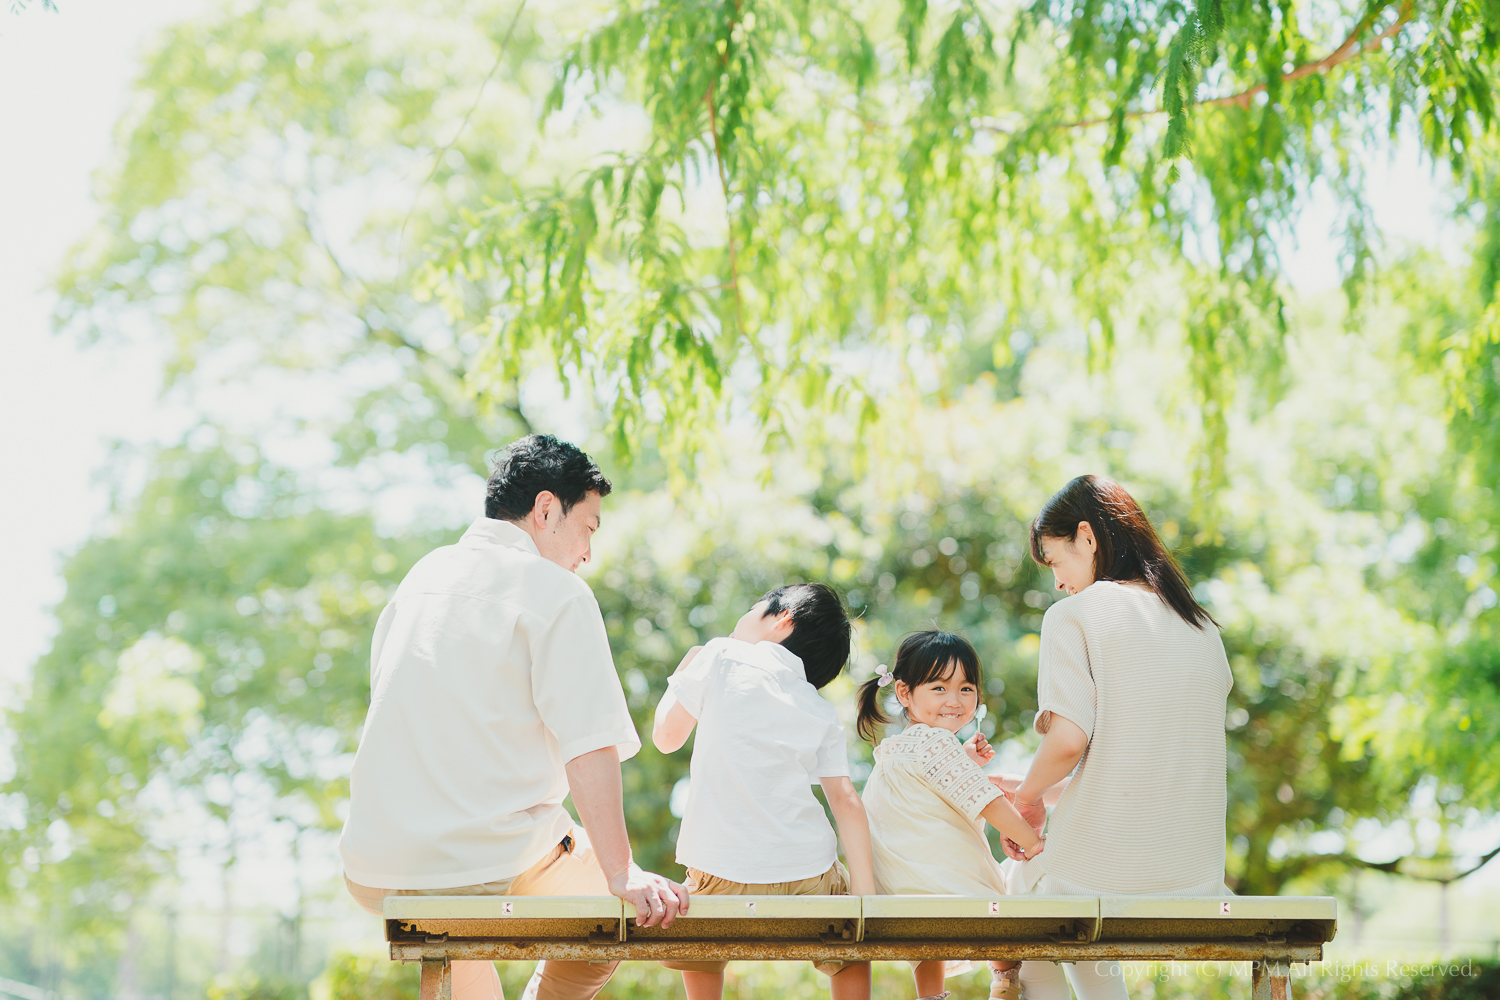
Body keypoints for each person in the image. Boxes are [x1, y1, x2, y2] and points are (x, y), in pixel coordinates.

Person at [338, 434, 689, 1000]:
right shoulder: (557, 591)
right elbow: (590, 745)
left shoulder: (422, 577)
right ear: (547, 509)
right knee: (614, 910)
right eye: (589, 528)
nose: (587, 553)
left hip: (375, 862)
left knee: (459, 930)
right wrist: (623, 872)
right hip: (481, 860)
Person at [1003, 475, 1233, 1000]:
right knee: (1067, 901)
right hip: (1196, 879)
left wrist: (1022, 801)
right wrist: (1036, 789)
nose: (1058, 582)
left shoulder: (1074, 616)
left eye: (1056, 561)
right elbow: (1143, 768)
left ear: (1087, 537)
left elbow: (1066, 742)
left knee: (1017, 891)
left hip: (1105, 876)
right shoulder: (1202, 628)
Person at [651, 584, 876, 1000]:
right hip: (806, 871)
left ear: (782, 619)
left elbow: (665, 737)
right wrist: (864, 901)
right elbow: (845, 800)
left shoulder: (718, 655)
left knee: (698, 939)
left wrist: (686, 668)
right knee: (848, 949)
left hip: (721, 871)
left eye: (754, 607)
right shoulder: (820, 710)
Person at [855, 631, 1044, 1000]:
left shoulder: (893, 748)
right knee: (1007, 919)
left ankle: (931, 996)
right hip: (947, 886)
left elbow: (925, 800)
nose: (955, 701)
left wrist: (965, 760)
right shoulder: (936, 742)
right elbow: (985, 800)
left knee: (930, 941)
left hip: (900, 888)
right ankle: (1005, 984)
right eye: (939, 688)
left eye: (967, 689)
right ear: (905, 693)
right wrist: (1032, 840)